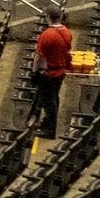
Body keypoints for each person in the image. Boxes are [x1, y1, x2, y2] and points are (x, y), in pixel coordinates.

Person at [31, 8, 72, 138]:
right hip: (60, 71)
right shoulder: (66, 32)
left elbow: (38, 57)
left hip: (48, 74)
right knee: (53, 99)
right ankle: (45, 124)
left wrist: (34, 72)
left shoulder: (46, 35)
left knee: (48, 103)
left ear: (48, 17)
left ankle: (49, 131)